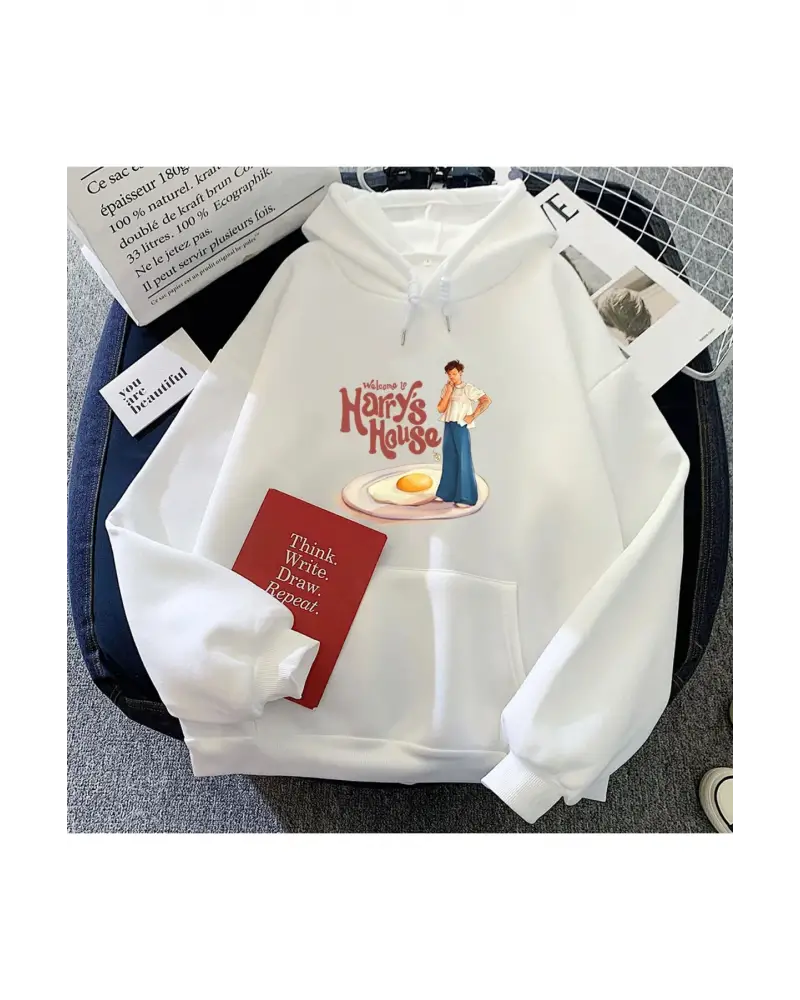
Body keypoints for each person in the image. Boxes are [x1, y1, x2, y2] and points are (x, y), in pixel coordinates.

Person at [435, 360, 491, 508]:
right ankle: (447, 493)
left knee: (463, 459)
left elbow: (486, 400)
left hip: (461, 426)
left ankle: (466, 497)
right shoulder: (447, 388)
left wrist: (472, 416)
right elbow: (441, 409)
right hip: (449, 425)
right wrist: (448, 392)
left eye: (454, 373)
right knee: (449, 457)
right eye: (449, 374)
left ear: (460, 373)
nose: (452, 376)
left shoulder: (468, 388)